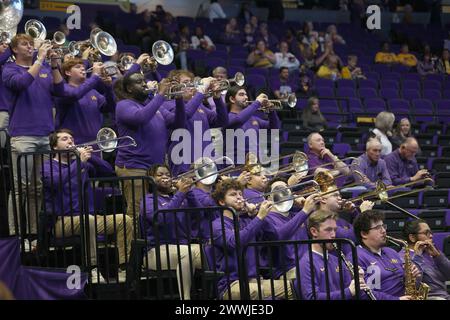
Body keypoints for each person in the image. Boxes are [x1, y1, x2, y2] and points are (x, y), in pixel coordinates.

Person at [42, 129, 133, 283]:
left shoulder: (81, 163)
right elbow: (55, 182)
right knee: (88, 220)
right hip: (61, 222)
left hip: (88, 218)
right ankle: (93, 268)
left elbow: (108, 171)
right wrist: (79, 162)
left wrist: (92, 158)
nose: (70, 141)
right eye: (64, 139)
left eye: (71, 138)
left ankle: (124, 268)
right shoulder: (48, 165)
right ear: (55, 147)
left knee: (124, 220)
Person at [3, 34, 64, 237]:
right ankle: (15, 235)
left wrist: (54, 64)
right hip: (23, 136)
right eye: (24, 44)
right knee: (20, 188)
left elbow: (60, 90)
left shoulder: (45, 69)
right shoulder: (9, 69)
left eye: (31, 43)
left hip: (45, 134)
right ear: (14, 50)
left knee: (37, 188)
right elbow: (21, 83)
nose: (29, 46)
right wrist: (40, 59)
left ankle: (33, 234)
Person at [113, 72, 184, 218]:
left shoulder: (151, 105)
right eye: (139, 82)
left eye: (144, 81)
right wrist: (160, 94)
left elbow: (179, 122)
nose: (145, 84)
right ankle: (132, 241)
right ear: (129, 88)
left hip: (155, 169)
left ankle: (152, 241)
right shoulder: (123, 105)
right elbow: (141, 118)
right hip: (135, 167)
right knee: (138, 213)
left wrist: (179, 98)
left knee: (158, 211)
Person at [210, 179, 293, 300]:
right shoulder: (218, 225)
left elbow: (274, 236)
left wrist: (255, 215)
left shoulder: (248, 221)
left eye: (240, 194)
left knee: (295, 287)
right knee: (254, 291)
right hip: (231, 284)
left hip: (255, 280)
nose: (239, 197)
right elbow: (234, 242)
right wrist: (259, 217)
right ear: (222, 201)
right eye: (233, 194)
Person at [141, 164, 202, 300]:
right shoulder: (148, 200)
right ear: (151, 179)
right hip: (156, 251)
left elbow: (199, 214)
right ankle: (185, 299)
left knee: (212, 251)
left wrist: (189, 191)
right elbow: (162, 219)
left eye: (168, 175)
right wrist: (180, 193)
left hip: (182, 246)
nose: (165, 177)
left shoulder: (179, 197)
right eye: (160, 174)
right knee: (187, 252)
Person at [299, 210, 369, 300]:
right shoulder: (306, 262)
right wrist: (349, 292)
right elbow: (311, 297)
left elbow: (350, 292)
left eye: (335, 230)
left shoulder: (337, 260)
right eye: (328, 230)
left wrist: (357, 281)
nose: (333, 235)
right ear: (314, 232)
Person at [353, 210, 422, 300]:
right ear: (364, 234)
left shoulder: (391, 252)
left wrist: (412, 276)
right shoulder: (356, 257)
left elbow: (409, 284)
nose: (384, 231)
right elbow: (364, 293)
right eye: (378, 227)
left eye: (383, 226)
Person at [54, 58, 115, 145]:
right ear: (68, 73)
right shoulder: (63, 90)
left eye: (83, 67)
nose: (83, 69)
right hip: (72, 144)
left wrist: (109, 87)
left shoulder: (92, 92)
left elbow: (111, 107)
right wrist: (95, 76)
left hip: (95, 143)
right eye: (78, 67)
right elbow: (75, 95)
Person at [225, 86, 280, 166]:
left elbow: (274, 128)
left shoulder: (253, 119)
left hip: (255, 165)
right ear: (232, 99)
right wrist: (257, 103)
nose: (246, 97)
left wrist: (271, 111)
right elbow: (239, 120)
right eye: (241, 94)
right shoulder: (227, 118)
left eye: (246, 94)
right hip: (236, 166)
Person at [402, 219, 450, 300]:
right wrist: (418, 256)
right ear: (412, 237)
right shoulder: (403, 257)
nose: (431, 236)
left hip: (445, 295)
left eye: (431, 233)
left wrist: (437, 256)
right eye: (426, 233)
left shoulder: (431, 252)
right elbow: (414, 286)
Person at [0, 37, 11, 147]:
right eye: (1, 43)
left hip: (14, 109)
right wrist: (11, 47)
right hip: (2, 110)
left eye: (6, 44)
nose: (5, 45)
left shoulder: (9, 64)